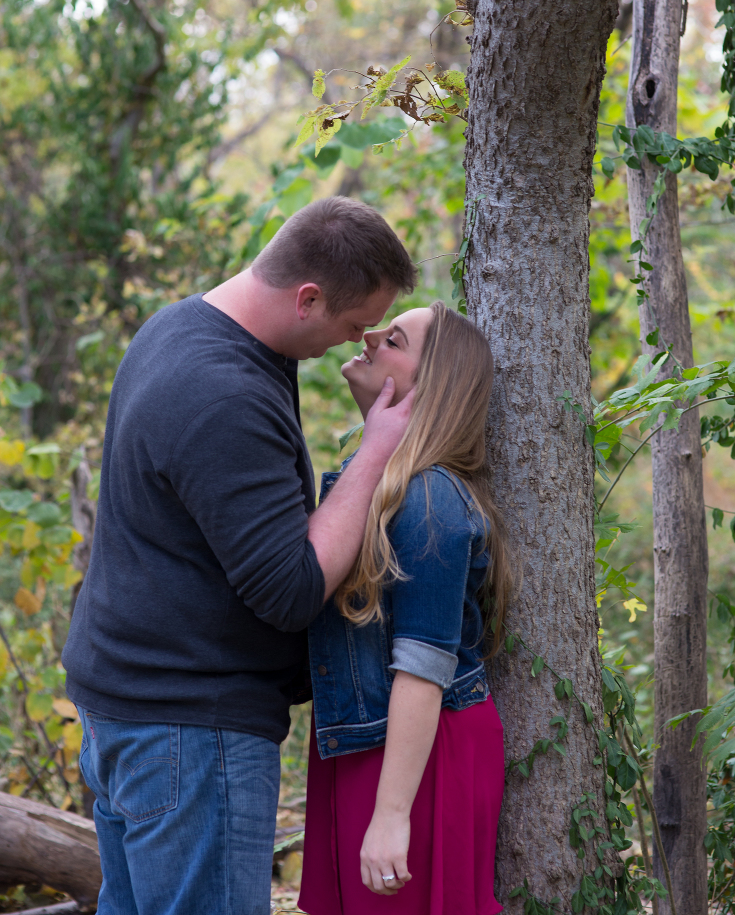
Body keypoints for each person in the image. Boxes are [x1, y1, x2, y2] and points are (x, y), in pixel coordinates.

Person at [62, 196, 418, 915]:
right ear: (307, 297)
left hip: (132, 712)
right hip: (189, 731)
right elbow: (289, 589)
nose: (351, 345)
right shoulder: (221, 390)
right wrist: (378, 450)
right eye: (351, 326)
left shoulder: (180, 329)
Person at [299, 300, 512, 915]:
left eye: (392, 339)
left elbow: (423, 667)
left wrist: (391, 815)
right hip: (375, 740)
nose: (365, 337)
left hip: (420, 750)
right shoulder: (385, 484)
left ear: (430, 387)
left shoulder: (427, 500)